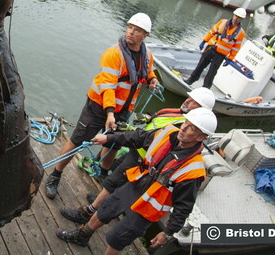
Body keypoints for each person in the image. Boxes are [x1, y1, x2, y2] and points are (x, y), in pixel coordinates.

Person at [55, 108, 218, 254]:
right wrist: (109, 138)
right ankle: (82, 236)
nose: (184, 128)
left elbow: (184, 206)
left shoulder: (193, 171)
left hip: (150, 205)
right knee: (106, 208)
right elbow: (137, 137)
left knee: (117, 237)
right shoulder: (167, 133)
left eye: (192, 128)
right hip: (137, 184)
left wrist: (168, 232)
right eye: (186, 123)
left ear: (201, 137)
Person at [44, 13, 160, 199]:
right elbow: (107, 86)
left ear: (145, 35)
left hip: (123, 110)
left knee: (115, 142)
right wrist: (110, 113)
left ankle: (102, 174)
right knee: (78, 140)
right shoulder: (114, 54)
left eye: (136, 30)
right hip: (99, 107)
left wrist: (152, 79)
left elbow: (148, 70)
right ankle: (55, 174)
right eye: (129, 27)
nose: (130, 32)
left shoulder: (147, 54)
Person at [59, 87, 216, 224]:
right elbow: (155, 124)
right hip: (137, 152)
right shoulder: (178, 114)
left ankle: (89, 212)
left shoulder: (184, 125)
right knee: (113, 183)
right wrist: (147, 117)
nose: (188, 101)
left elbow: (149, 138)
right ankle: (101, 205)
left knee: (113, 183)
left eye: (193, 101)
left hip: (143, 160)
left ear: (201, 109)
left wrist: (122, 133)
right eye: (189, 97)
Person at [185, 8, 246, 89]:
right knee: (200, 65)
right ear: (233, 15)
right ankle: (191, 80)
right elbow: (212, 32)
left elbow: (236, 47)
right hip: (211, 48)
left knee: (212, 72)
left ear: (242, 19)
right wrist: (204, 41)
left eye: (239, 17)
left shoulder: (241, 33)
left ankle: (205, 88)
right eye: (236, 16)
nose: (237, 18)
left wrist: (230, 58)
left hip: (221, 54)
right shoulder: (223, 22)